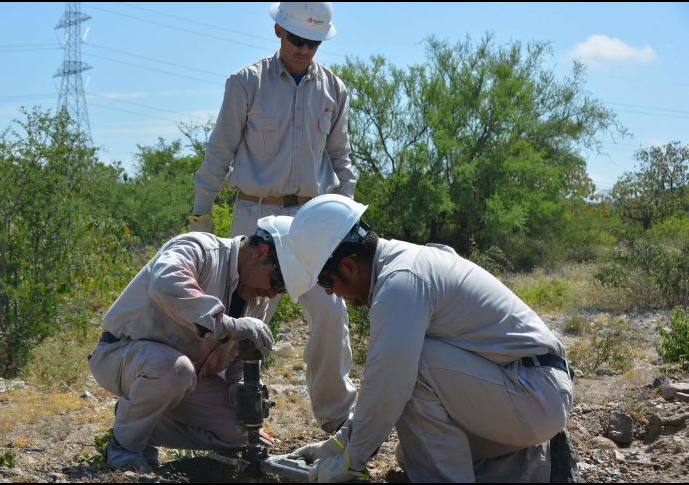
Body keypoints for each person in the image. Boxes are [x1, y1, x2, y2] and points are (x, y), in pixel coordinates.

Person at [281, 195, 575, 483]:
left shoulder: (401, 282)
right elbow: (385, 387)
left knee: (413, 367)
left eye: (326, 282)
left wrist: (352, 458)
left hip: (534, 394)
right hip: (530, 392)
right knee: (414, 453)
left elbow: (389, 382)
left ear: (348, 266)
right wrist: (339, 444)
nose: (330, 292)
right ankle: (538, 464)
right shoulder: (402, 265)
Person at [189, 2, 358, 434]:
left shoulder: (334, 90)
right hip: (255, 214)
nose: (305, 49)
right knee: (244, 318)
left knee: (330, 310)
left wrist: (344, 211)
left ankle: (338, 418)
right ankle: (235, 417)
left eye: (314, 42)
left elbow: (342, 158)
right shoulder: (246, 82)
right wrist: (200, 214)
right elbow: (219, 152)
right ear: (279, 32)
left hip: (310, 217)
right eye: (298, 39)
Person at [88, 216, 293, 472]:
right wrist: (228, 324)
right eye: (277, 283)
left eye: (281, 290)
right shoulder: (199, 248)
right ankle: (124, 447)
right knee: (174, 369)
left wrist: (240, 385)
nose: (274, 294)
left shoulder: (257, 299)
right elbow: (165, 283)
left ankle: (140, 423)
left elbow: (240, 357)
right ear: (261, 253)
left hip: (184, 376)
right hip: (121, 355)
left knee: (239, 429)